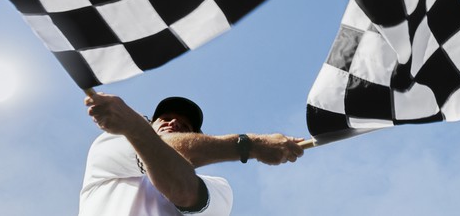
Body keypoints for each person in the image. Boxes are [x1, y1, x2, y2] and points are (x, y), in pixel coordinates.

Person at [79, 92, 305, 216]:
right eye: (165, 118)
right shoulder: (111, 141)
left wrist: (133, 125)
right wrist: (252, 145)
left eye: (186, 126)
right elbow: (160, 146)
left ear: (197, 139)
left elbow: (182, 190)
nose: (174, 121)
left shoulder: (219, 188)